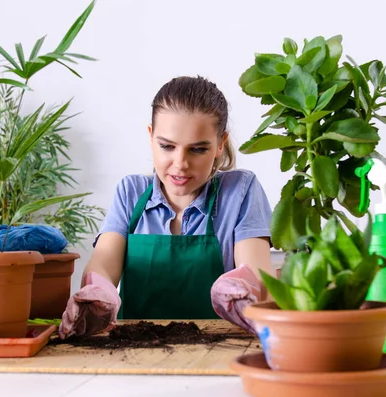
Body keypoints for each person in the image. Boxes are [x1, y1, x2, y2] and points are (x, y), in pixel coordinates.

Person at [59, 76, 273, 339]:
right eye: (167, 146)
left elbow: (256, 270)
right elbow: (104, 261)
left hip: (220, 347)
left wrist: (241, 286)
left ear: (220, 144)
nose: (180, 163)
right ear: (151, 138)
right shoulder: (130, 193)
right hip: (134, 349)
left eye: (197, 149)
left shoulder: (240, 191)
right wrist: (98, 292)